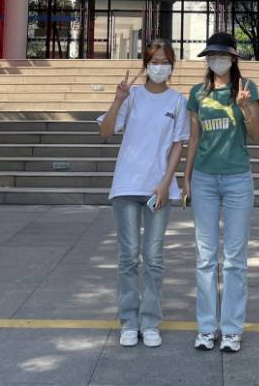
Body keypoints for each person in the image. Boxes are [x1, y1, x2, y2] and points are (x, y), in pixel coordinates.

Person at [98, 39, 189, 348]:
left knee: (153, 257)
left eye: (165, 62)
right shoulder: (132, 96)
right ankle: (128, 321)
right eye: (154, 61)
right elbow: (106, 131)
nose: (159, 66)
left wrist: (166, 183)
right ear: (146, 64)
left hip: (158, 189)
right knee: (128, 256)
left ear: (172, 65)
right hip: (126, 186)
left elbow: (178, 145)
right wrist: (117, 100)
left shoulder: (178, 101)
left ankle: (150, 322)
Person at [182, 32, 259, 353]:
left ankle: (231, 329)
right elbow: (194, 138)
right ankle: (206, 327)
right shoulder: (197, 93)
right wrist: (186, 178)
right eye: (212, 56)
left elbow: (256, 134)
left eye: (223, 55)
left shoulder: (246, 88)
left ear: (233, 58)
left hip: (237, 179)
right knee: (204, 257)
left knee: (234, 259)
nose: (217, 60)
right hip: (203, 179)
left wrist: (245, 108)